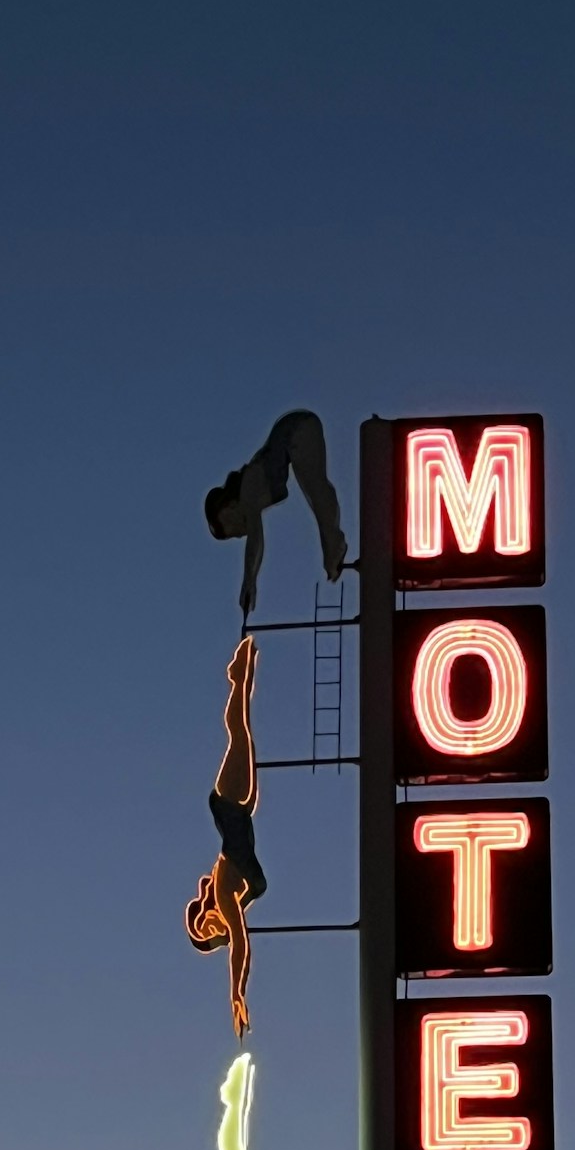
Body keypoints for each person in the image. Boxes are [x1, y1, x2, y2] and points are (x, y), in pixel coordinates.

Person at [185, 635, 266, 1037]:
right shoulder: (234, 899)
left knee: (238, 731)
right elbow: (236, 939)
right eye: (210, 936)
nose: (213, 928)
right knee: (243, 732)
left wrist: (237, 993)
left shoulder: (222, 893)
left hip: (228, 805)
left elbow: (241, 945)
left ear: (204, 914)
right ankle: (242, 677)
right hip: (241, 807)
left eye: (203, 926)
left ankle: (239, 677)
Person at [204, 410, 348, 615]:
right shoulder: (253, 488)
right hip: (296, 432)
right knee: (316, 490)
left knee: (316, 490)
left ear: (228, 510)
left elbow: (256, 538)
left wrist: (249, 580)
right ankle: (334, 549)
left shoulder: (249, 486)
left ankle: (335, 548)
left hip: (298, 429)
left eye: (233, 530)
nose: (239, 535)